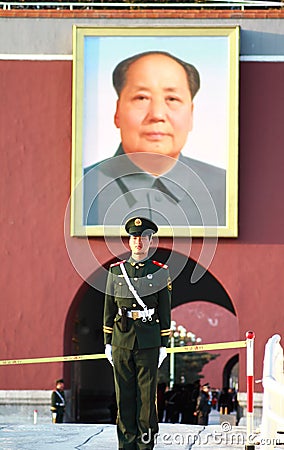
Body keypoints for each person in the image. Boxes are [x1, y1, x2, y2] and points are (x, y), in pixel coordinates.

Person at [84, 50, 226, 228]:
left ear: (191, 115)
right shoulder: (80, 189)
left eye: (172, 99)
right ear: (117, 112)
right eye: (142, 98)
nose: (157, 114)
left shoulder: (227, 191)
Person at [103, 216, 172, 449]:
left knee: (146, 398)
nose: (139, 242)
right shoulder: (116, 271)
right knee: (124, 397)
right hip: (121, 340)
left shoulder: (160, 272)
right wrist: (107, 342)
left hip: (149, 342)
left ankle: (145, 444)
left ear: (151, 241)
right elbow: (108, 308)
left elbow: (164, 310)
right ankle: (126, 444)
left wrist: (164, 343)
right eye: (135, 238)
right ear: (129, 241)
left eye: (144, 238)